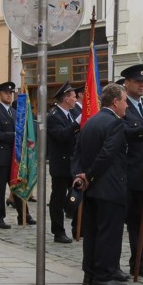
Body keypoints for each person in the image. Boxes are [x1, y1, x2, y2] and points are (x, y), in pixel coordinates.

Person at [72, 83, 130, 285]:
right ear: (115, 102)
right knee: (108, 233)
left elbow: (77, 151)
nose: (126, 106)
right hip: (108, 187)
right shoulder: (114, 123)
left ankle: (90, 273)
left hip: (92, 189)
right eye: (124, 101)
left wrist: (80, 175)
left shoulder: (91, 121)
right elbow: (107, 154)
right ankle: (104, 275)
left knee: (93, 232)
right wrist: (90, 175)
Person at [120, 64, 143, 279]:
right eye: (137, 81)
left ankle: (139, 262)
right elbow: (122, 132)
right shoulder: (123, 106)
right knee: (121, 221)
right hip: (127, 174)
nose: (142, 85)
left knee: (141, 222)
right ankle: (113, 264)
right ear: (127, 83)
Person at [48, 83, 80, 244]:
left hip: (73, 163)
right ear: (66, 99)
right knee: (58, 200)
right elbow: (61, 135)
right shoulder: (54, 116)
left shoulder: (72, 113)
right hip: (61, 164)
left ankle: (77, 227)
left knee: (77, 197)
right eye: (73, 97)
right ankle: (58, 231)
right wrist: (77, 124)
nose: (75, 100)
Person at [0, 81, 21, 229]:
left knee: (18, 187)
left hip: (14, 156)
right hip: (1, 156)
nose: (9, 95)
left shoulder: (14, 112)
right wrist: (13, 135)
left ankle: (24, 215)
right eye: (6, 93)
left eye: (11, 93)